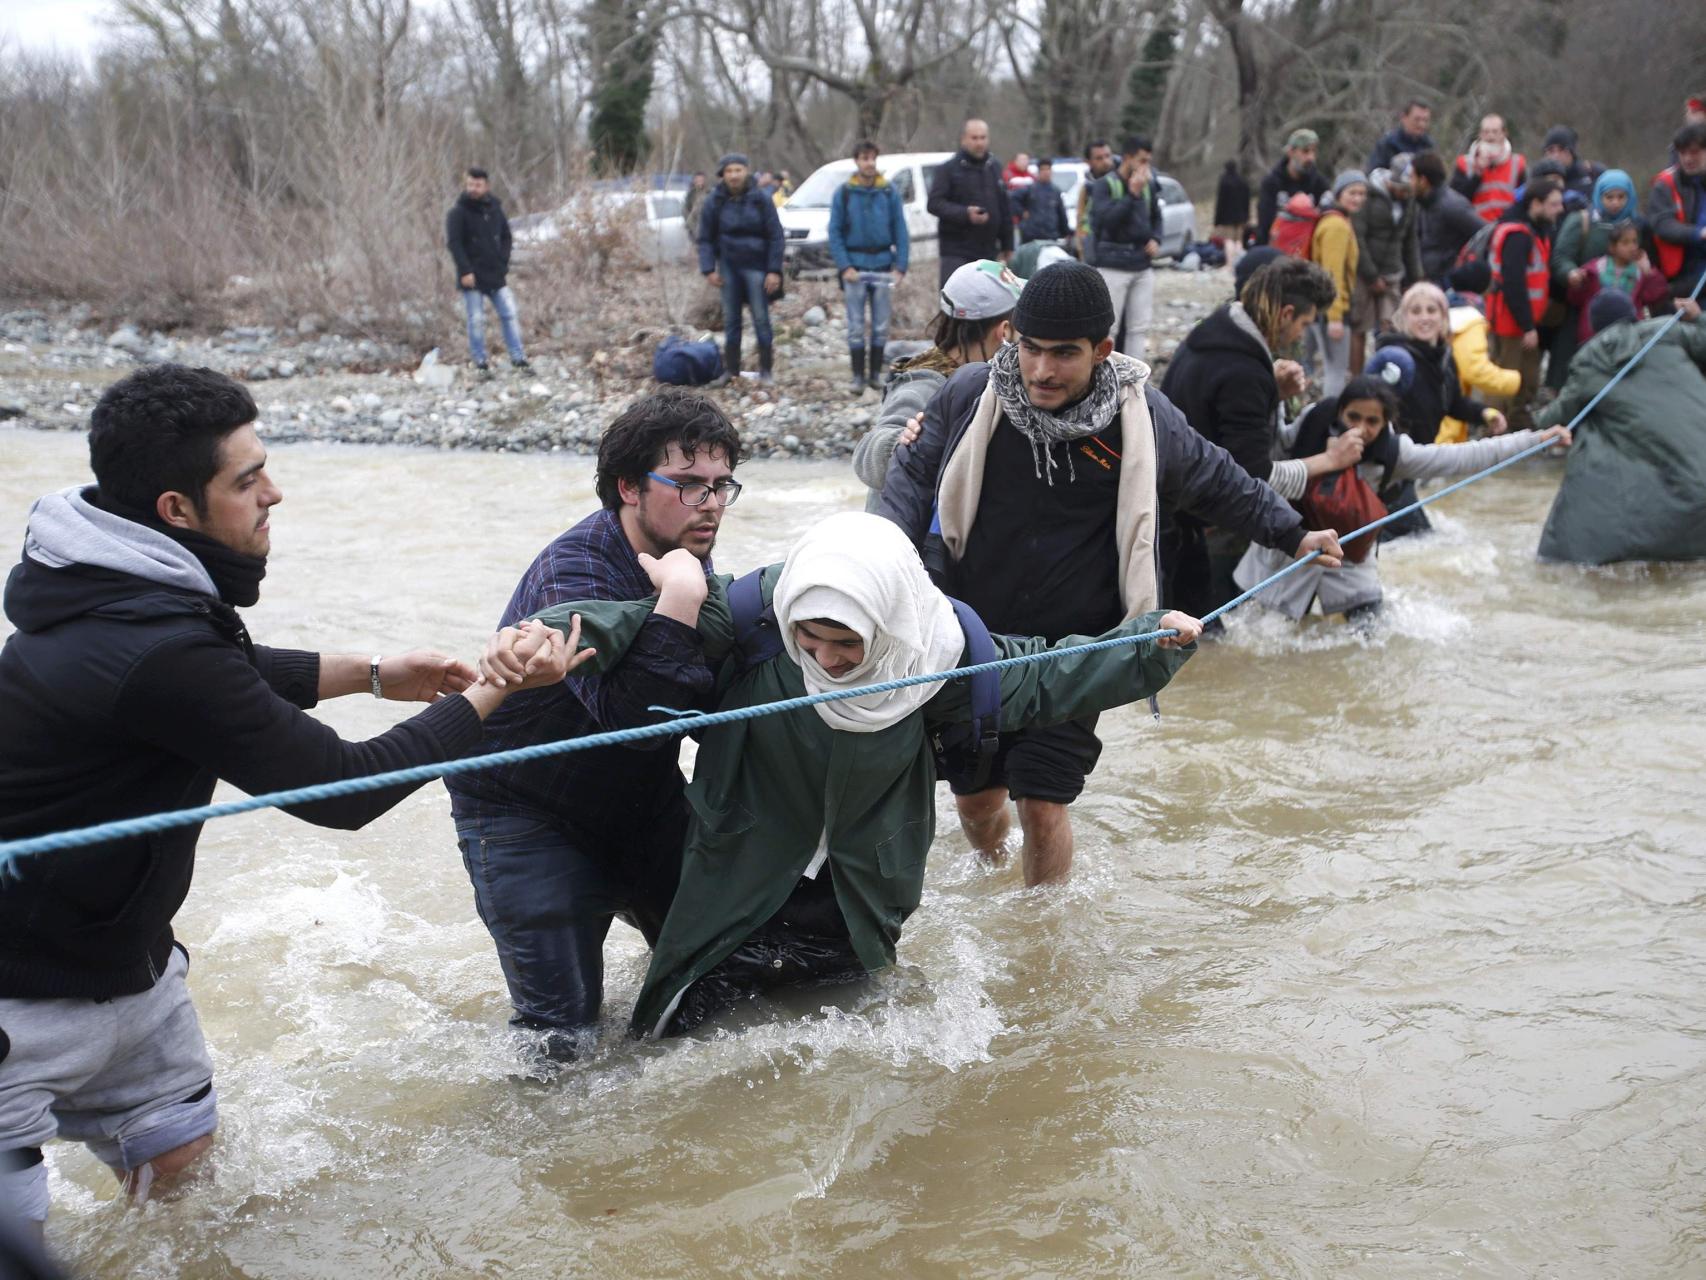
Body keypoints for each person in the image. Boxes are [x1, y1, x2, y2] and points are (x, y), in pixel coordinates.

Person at [0, 365, 576, 1236]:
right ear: (175, 511)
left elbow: (216, 673)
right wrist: (497, 689)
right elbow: (345, 791)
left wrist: (374, 673)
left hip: (133, 977)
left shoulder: (119, 585)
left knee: (184, 1228)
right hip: (14, 1011)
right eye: (247, 480)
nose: (275, 492)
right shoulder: (152, 641)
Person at [488, 514, 1203, 1036]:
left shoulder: (938, 655)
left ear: (889, 626)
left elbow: (1049, 674)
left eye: (848, 646)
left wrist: (1150, 644)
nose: (827, 662)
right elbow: (628, 623)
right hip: (737, 887)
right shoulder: (749, 620)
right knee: (671, 1055)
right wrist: (547, 635)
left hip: (858, 902)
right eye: (813, 640)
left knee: (856, 1058)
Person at [878, 262, 1345, 882]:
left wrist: (1293, 532)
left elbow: (1217, 479)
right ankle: (992, 878)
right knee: (977, 800)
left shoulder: (1143, 417)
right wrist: (877, 563)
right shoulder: (969, 394)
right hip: (972, 636)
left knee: (1043, 804)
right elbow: (907, 487)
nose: (1042, 370)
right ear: (1011, 336)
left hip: (1079, 649)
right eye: (1030, 348)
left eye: (1064, 354)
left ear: (1103, 350)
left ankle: (1040, 940)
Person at [445, 390, 742, 1058]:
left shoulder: (682, 550)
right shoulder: (571, 572)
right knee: (562, 1043)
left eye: (722, 485)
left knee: (715, 991)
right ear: (628, 488)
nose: (712, 504)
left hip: (640, 799)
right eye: (689, 485)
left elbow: (700, 698)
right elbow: (632, 718)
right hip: (526, 813)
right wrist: (678, 601)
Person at [1234, 374, 1569, 619]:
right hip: (1287, 553)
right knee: (1264, 638)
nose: (1361, 428)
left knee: (1369, 640)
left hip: (1350, 559)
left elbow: (1465, 456)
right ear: (1340, 412)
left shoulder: (1396, 454)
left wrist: (1536, 440)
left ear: (1385, 423)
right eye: (1353, 417)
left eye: (1372, 421)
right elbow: (1267, 455)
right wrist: (1275, 395)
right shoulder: (1312, 422)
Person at [1159, 256, 1349, 614]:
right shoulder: (1243, 371)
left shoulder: (1218, 331)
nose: (1301, 336)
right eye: (1304, 324)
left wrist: (1272, 393)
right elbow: (1253, 476)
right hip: (1185, 520)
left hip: (1171, 503)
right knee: (1200, 626)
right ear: (1285, 314)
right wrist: (1329, 461)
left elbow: (1213, 417)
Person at [1536, 293, 1706, 564]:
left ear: (1594, 325)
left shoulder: (1589, 362)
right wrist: (1699, 318)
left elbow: (1555, 420)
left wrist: (1525, 422)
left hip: (1665, 508)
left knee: (1595, 432)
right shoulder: (1669, 332)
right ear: (1634, 313)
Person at [854, 260, 1022, 511]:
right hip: (907, 542)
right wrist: (903, 443)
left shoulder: (989, 377)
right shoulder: (925, 385)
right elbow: (867, 457)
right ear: (1004, 331)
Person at [1373, 282, 1509, 535]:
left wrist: (1483, 413)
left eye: (1431, 310)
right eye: (1416, 311)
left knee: (1419, 539)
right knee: (1416, 539)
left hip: (1414, 465)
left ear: (1444, 317)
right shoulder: (1395, 358)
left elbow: (1454, 402)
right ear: (1403, 318)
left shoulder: (1444, 357)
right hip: (1388, 468)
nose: (1424, 318)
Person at [828, 140, 910, 395]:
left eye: (873, 158)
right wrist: (844, 266)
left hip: (883, 266)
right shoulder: (844, 193)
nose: (869, 163)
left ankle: (875, 375)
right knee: (855, 326)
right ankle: (857, 377)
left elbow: (900, 229)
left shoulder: (889, 192)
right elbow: (835, 232)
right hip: (855, 268)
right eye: (864, 158)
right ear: (856, 161)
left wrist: (901, 265)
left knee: (880, 326)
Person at [697, 152, 785, 386]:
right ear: (722, 175)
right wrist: (708, 269)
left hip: (757, 266)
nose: (734, 175)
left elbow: (776, 235)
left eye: (738, 170)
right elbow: (704, 239)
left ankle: (766, 371)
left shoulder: (761, 199)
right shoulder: (714, 200)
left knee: (761, 318)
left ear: (746, 171)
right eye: (729, 171)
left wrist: (774, 270)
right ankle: (732, 371)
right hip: (728, 267)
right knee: (731, 320)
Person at [1486, 174, 1565, 431]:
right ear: (1536, 204)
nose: (1559, 209)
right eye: (1554, 204)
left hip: (1526, 320)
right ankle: (1491, 433)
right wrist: (1527, 325)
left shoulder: (1536, 230)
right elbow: (1514, 283)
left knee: (1528, 378)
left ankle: (1519, 426)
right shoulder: (1518, 235)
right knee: (1504, 380)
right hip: (1512, 321)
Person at [1088, 136, 1164, 361]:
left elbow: (1156, 218)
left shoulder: (1149, 185)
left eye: (1148, 161)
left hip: (1142, 264)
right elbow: (1104, 222)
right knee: (1109, 328)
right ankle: (1106, 376)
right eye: (1141, 160)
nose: (1145, 166)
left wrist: (1156, 239)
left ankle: (1136, 383)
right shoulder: (1104, 185)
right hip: (1113, 265)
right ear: (1128, 158)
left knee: (1138, 328)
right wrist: (1131, 195)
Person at [446, 166, 527, 373]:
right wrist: (465, 271)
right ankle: (480, 362)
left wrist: (503, 261)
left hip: (495, 273)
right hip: (471, 276)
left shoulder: (495, 209)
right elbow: (454, 244)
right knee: (476, 320)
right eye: (470, 184)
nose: (473, 188)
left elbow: (506, 236)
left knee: (509, 314)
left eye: (478, 185)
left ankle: (518, 358)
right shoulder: (458, 212)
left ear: (486, 186)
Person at [1350, 154, 1423, 374]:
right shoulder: (1369, 196)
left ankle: (1388, 375)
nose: (1404, 193)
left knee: (1391, 328)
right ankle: (1356, 377)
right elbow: (1358, 237)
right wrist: (1371, 275)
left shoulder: (1409, 202)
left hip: (1393, 271)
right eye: (1400, 188)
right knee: (1359, 328)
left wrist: (1416, 277)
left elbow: (1410, 241)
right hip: (1365, 273)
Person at [1438, 261, 1522, 444]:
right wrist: (1513, 381)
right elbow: (1474, 369)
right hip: (1447, 413)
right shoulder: (1470, 321)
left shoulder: (1445, 308)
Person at [928, 119, 1013, 286]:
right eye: (974, 138)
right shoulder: (948, 169)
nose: (979, 143)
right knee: (957, 306)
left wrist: (1007, 244)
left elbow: (1004, 207)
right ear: (963, 139)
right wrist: (965, 214)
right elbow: (934, 203)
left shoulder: (994, 167)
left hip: (988, 251)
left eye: (983, 138)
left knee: (989, 306)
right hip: (956, 252)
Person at [1563, 220, 1676, 343]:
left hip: (1628, 336)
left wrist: (1649, 272)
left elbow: (1656, 295)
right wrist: (1578, 283)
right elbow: (1576, 298)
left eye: (1634, 242)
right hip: (1594, 335)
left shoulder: (1640, 272)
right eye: (1625, 243)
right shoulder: (1595, 269)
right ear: (1612, 247)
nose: (1632, 247)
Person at [1313, 170, 1366, 396]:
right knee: (1336, 371)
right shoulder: (1337, 226)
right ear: (1339, 193)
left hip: (1324, 307)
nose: (1358, 198)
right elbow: (1331, 273)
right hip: (1331, 310)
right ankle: (1328, 420)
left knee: (1330, 369)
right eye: (1352, 192)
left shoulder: (1338, 220)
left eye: (1362, 194)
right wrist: (1335, 317)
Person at [1648, 123, 1706, 304]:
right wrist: (1699, 233)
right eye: (1682, 153)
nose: (1688, 158)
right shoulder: (1665, 184)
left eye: (1694, 152)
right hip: (1681, 274)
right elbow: (1661, 224)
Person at [1411, 150, 1482, 284]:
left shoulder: (1452, 206)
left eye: (1412, 177)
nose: (1410, 182)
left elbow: (1483, 232)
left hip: (1451, 284)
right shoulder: (1422, 204)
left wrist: (1463, 265)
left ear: (1423, 180)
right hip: (1432, 281)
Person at [1256, 129, 1331, 246]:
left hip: (1308, 249)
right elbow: (1265, 226)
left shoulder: (1320, 184)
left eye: (1313, 152)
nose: (1311, 158)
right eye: (1305, 151)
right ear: (1291, 152)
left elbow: (1328, 219)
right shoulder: (1272, 183)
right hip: (1278, 249)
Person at [1452, 114, 1528, 224]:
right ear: (1480, 135)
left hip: (1507, 229)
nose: (1490, 137)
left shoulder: (1517, 164)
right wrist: (1477, 175)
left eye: (1495, 132)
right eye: (1486, 132)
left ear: (1504, 133)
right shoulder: (1464, 164)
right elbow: (1455, 202)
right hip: (1474, 230)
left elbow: (1524, 202)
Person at [1075, 139, 1117, 263]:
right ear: (1088, 161)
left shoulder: (1120, 181)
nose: (1105, 161)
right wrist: (1080, 242)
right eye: (1099, 158)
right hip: (1092, 244)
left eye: (1108, 156)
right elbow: (1080, 215)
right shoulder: (1087, 187)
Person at [1367, 99, 1435, 172]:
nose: (1421, 124)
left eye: (1425, 120)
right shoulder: (1388, 143)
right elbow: (1374, 173)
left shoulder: (1429, 146)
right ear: (1404, 118)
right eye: (1417, 119)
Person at [1014, 158, 1070, 245]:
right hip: (1031, 237)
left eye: (1048, 169)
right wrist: (1021, 212)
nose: (1046, 172)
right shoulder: (1030, 189)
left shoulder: (1055, 191)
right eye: (1043, 169)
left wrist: (1066, 232)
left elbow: (1061, 213)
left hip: (1051, 236)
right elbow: (1012, 198)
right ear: (1039, 171)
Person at [1541, 126, 1603, 203]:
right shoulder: (1539, 179)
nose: (1556, 155)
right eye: (1551, 150)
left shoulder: (1592, 173)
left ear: (1572, 152)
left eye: (1562, 149)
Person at [1213, 158, 1252, 252]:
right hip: (1241, 217)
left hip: (1227, 218)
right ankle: (1239, 259)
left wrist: (1217, 221)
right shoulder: (1243, 181)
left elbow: (1220, 202)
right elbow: (1247, 201)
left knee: (1229, 240)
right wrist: (1247, 217)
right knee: (1239, 240)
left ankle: (1230, 262)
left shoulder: (1224, 182)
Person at [682, 171, 709, 236]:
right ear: (694, 180)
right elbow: (685, 211)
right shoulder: (690, 194)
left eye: (701, 180)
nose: (699, 181)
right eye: (697, 179)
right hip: (694, 229)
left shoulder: (710, 193)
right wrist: (692, 227)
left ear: (704, 180)